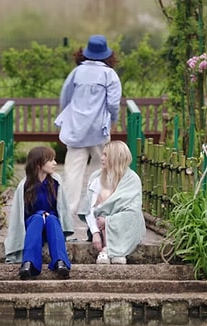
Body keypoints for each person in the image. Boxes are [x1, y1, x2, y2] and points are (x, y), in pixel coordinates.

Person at [54, 34, 122, 214]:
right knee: (102, 171)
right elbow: (113, 104)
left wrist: (65, 119)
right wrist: (112, 121)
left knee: (72, 174)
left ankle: (66, 218)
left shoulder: (76, 73)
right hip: (99, 130)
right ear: (107, 54)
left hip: (76, 130)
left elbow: (65, 99)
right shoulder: (110, 75)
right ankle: (95, 212)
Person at [4, 146, 74, 280]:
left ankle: (61, 262)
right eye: (50, 160)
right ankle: (29, 263)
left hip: (51, 227)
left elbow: (61, 209)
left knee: (52, 219)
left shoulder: (55, 182)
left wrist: (46, 215)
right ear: (38, 164)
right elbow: (22, 214)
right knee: (36, 218)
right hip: (33, 227)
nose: (54, 163)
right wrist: (40, 214)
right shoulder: (25, 185)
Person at [77, 141, 146, 264]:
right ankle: (109, 249)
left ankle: (109, 250)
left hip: (126, 226)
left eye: (106, 155)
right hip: (100, 226)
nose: (102, 158)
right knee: (104, 210)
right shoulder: (96, 177)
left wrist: (109, 221)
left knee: (132, 214)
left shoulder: (133, 179)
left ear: (116, 157)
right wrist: (95, 233)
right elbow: (90, 209)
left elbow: (133, 209)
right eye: (102, 154)